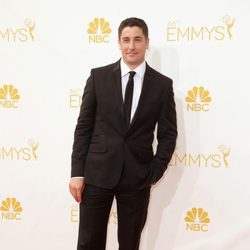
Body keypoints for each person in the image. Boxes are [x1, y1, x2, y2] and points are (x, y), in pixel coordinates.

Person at [69, 17, 177, 250]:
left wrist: (153, 172)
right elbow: (84, 127)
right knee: (89, 243)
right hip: (97, 174)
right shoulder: (98, 77)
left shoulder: (162, 85)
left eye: (137, 39)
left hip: (137, 177)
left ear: (147, 42)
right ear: (118, 43)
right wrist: (77, 173)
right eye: (126, 40)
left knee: (130, 244)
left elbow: (168, 135)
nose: (131, 46)